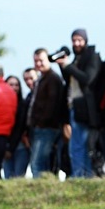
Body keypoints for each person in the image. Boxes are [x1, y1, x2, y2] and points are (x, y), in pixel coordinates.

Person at [58, 29, 103, 178]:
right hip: (72, 106)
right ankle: (81, 174)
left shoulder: (93, 57)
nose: (76, 43)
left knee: (81, 145)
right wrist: (62, 65)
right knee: (76, 145)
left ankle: (82, 175)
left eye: (79, 40)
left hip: (84, 108)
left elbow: (87, 79)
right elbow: (69, 79)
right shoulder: (75, 59)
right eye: (74, 40)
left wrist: (68, 66)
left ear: (85, 40)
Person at [29, 48, 68, 176]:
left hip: (47, 127)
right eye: (36, 61)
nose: (38, 63)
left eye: (41, 60)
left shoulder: (53, 78)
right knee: (39, 162)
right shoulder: (42, 79)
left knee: (38, 163)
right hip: (40, 127)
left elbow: (52, 105)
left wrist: (41, 122)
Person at [3, 75, 29, 179]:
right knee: (7, 175)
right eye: (11, 85)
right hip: (5, 145)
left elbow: (20, 127)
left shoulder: (23, 104)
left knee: (19, 177)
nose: (14, 87)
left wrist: (10, 148)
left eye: (16, 85)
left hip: (19, 145)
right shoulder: (2, 105)